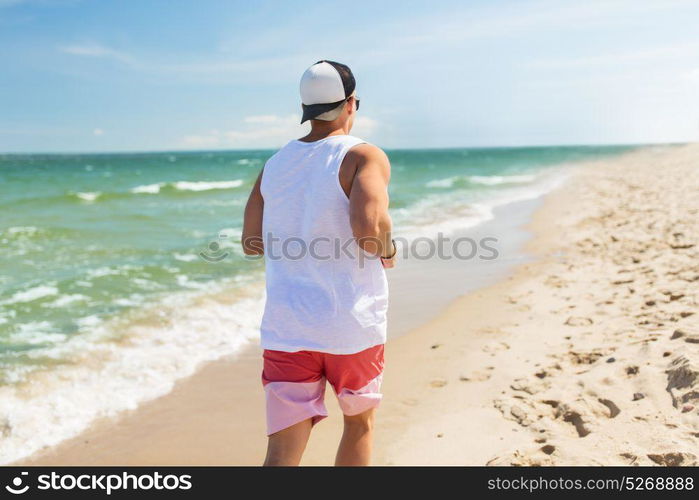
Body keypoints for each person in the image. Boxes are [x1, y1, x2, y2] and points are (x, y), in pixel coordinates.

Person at [242, 60, 395, 466]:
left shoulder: (273, 166)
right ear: (350, 104)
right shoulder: (363, 155)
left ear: (306, 110)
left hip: (287, 328)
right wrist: (389, 249)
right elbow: (368, 231)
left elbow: (251, 243)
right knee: (359, 425)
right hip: (350, 325)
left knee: (281, 452)